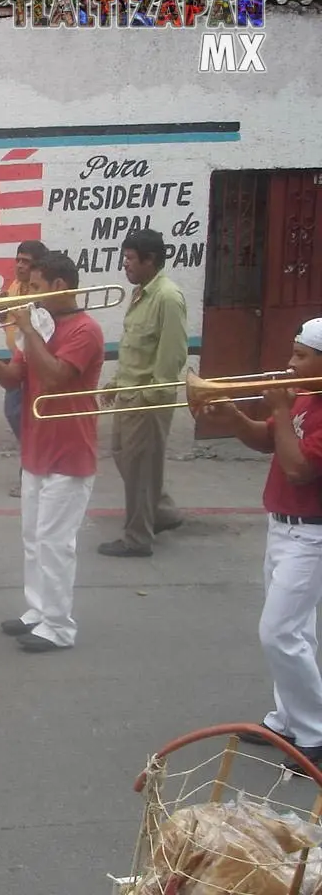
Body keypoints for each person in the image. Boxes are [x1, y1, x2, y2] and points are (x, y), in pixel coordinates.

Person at [0, 252, 104, 653]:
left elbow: (57, 376)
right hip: (37, 446)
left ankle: (59, 626)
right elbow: (13, 381)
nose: (30, 296)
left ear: (60, 286)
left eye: (37, 288)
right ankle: (38, 612)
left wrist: (29, 333)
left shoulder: (86, 329)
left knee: (55, 542)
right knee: (33, 538)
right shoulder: (38, 326)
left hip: (70, 450)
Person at [202, 318, 322, 773]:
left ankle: (315, 735)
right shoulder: (304, 397)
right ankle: (287, 721)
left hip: (312, 534)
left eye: (301, 357)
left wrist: (283, 413)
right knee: (296, 632)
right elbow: (264, 439)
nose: (289, 365)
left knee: (279, 632)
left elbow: (297, 469)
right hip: (282, 527)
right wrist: (232, 415)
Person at [97, 228, 188, 558]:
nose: (125, 265)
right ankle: (161, 512)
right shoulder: (140, 293)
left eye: (131, 258)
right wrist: (116, 383)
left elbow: (172, 354)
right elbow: (134, 348)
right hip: (129, 394)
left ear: (150, 259)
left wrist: (151, 396)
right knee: (126, 458)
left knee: (140, 467)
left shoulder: (167, 297)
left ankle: (137, 538)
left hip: (147, 400)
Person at [3, 241, 44, 498]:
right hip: (16, 358)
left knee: (25, 417)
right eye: (18, 259)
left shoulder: (41, 293)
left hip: (35, 363)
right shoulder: (15, 287)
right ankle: (31, 466)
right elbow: (6, 320)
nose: (19, 265)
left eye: (26, 261)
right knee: (15, 414)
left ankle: (30, 472)